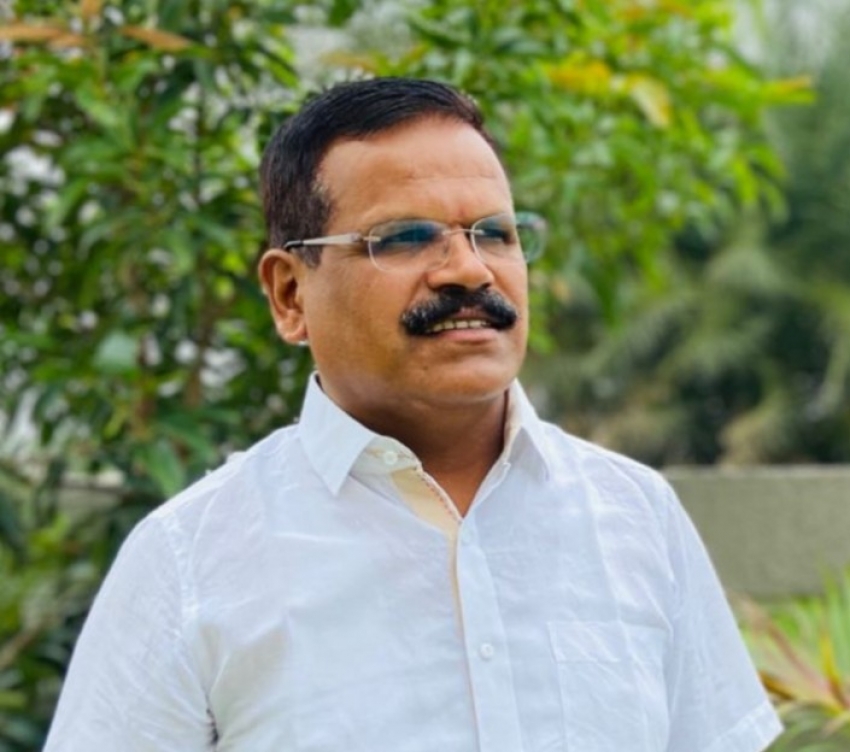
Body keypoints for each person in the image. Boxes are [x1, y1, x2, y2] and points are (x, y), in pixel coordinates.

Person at [44, 77, 782, 752]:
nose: (469, 269)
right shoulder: (191, 559)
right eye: (403, 238)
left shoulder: (635, 516)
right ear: (290, 295)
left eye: (495, 233)